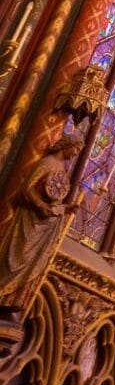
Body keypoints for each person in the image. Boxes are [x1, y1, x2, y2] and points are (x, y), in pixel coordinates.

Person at [0, 133, 83, 317]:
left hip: (46, 224)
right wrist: (41, 206)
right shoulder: (47, 163)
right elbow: (26, 189)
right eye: (76, 148)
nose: (76, 153)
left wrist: (67, 208)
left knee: (33, 263)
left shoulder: (62, 167)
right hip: (30, 219)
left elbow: (53, 197)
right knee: (16, 255)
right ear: (67, 145)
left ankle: (12, 301)